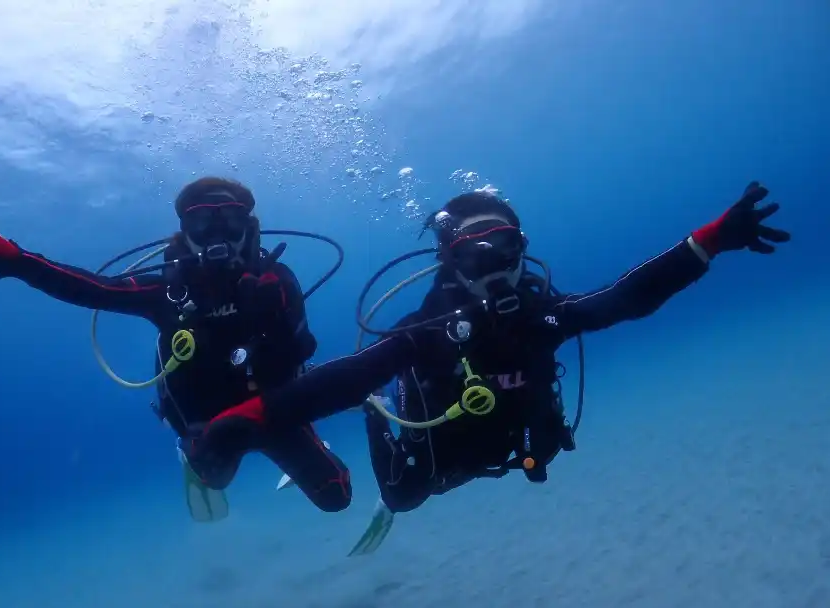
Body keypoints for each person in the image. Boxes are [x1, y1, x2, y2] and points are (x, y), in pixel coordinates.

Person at [183, 180, 790, 534]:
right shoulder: (426, 331)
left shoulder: (541, 314)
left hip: (513, 445)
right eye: (475, 257)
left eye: (506, 250)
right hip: (435, 458)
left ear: (523, 251)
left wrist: (711, 240)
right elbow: (339, 380)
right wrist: (249, 419)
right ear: (450, 265)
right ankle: (380, 417)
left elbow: (628, 300)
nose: (494, 269)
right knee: (400, 498)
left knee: (538, 450)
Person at [0, 177, 352, 516]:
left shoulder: (276, 280)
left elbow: (301, 353)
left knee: (337, 495)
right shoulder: (168, 291)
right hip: (210, 423)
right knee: (215, 479)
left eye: (230, 220)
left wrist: (272, 311)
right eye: (202, 220)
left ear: (248, 227)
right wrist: (16, 260)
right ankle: (190, 454)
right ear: (185, 230)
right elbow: (92, 289)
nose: (217, 233)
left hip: (272, 410)